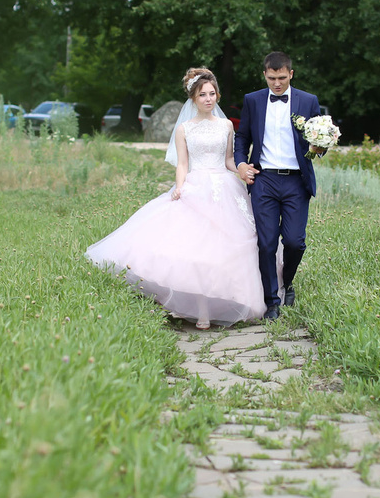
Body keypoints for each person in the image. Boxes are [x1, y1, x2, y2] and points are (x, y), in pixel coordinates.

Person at [85, 69, 265, 329]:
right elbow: (182, 164)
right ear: (193, 98)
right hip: (196, 185)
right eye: (202, 95)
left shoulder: (226, 126)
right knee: (193, 248)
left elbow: (227, 159)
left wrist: (240, 169)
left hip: (224, 188)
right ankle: (198, 309)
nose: (208, 99)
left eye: (212, 94)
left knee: (226, 248)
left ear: (218, 95)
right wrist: (180, 187)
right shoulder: (184, 129)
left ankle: (227, 300)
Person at [234, 51, 322, 317]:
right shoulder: (253, 100)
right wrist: (240, 164)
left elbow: (318, 141)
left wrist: (320, 147)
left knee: (295, 241)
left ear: (291, 74)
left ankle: (288, 281)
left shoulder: (308, 101)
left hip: (297, 180)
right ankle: (272, 301)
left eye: (282, 78)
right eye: (272, 78)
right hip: (264, 180)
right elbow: (242, 138)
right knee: (268, 243)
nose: (277, 84)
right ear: (265, 75)